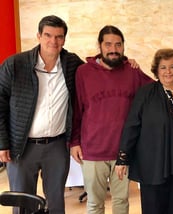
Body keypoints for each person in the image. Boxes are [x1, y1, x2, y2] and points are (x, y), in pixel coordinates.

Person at [0, 15, 84, 214]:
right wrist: (2, 142)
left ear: (64, 39)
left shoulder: (71, 64)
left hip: (56, 146)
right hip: (21, 146)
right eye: (48, 35)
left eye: (58, 37)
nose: (53, 41)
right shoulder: (15, 64)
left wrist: (125, 60)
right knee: (22, 204)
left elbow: (95, 70)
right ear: (38, 36)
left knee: (56, 203)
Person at [69, 25, 153, 214]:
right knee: (94, 203)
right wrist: (74, 141)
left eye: (118, 45)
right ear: (99, 46)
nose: (113, 49)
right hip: (92, 150)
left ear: (123, 46)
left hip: (123, 152)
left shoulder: (132, 71)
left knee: (121, 202)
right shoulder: (83, 72)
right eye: (108, 44)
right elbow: (77, 109)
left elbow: (156, 90)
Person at [115, 48, 173, 214]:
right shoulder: (146, 93)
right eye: (163, 67)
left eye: (172, 67)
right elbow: (132, 125)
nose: (168, 71)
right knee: (154, 209)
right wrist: (123, 158)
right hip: (153, 165)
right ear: (156, 71)